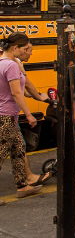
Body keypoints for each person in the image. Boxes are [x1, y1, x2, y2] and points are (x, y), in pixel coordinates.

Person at [0, 33, 52, 203]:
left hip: (8, 116)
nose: (27, 52)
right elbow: (16, 93)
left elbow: (17, 89)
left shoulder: (4, 62)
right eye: (25, 49)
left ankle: (23, 186)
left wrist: (37, 96)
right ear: (15, 48)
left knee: (19, 149)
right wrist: (29, 114)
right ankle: (23, 184)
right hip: (6, 116)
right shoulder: (11, 65)